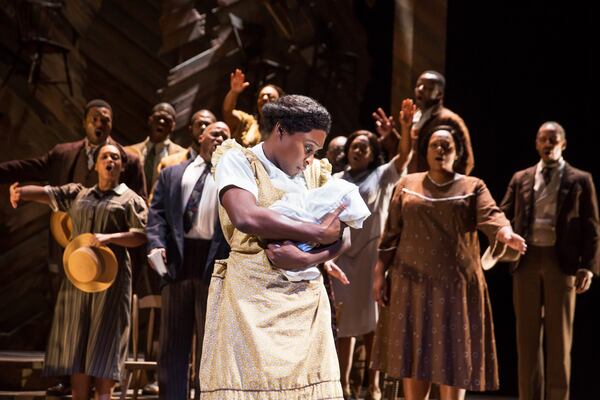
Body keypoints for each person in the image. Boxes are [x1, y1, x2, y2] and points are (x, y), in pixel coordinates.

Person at [199, 95, 349, 399]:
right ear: (279, 131)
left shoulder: (316, 173)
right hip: (250, 300)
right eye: (307, 147)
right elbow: (246, 216)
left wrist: (312, 256)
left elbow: (343, 235)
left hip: (305, 303)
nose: (309, 158)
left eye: (315, 151)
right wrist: (317, 230)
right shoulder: (239, 160)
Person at [0, 99, 146, 396]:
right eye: (105, 157)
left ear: (121, 165)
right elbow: (48, 194)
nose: (110, 161)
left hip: (112, 280)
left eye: (115, 158)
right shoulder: (80, 193)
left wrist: (109, 238)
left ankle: (104, 394)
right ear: (96, 164)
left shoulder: (130, 198)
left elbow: (141, 235)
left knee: (105, 338)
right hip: (79, 276)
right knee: (77, 338)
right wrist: (21, 192)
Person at [371, 125, 526, 400]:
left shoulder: (472, 186)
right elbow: (391, 234)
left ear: (458, 152)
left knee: (453, 355)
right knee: (414, 352)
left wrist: (504, 232)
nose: (440, 150)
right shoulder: (407, 184)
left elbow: (491, 215)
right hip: (411, 283)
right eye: (434, 145)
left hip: (456, 287)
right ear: (426, 151)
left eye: (447, 146)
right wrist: (380, 271)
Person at [499, 121, 600, 400]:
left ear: (563, 144)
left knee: (559, 340)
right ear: (535, 143)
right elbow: (502, 212)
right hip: (527, 259)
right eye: (543, 139)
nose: (547, 145)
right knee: (527, 339)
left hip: (562, 261)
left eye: (553, 140)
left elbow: (592, 226)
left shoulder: (580, 179)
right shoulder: (521, 177)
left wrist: (587, 266)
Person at [147, 121, 231, 399]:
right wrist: (156, 245)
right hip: (177, 263)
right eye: (215, 132)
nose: (219, 136)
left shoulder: (235, 179)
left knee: (210, 346)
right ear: (201, 136)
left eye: (226, 135)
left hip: (215, 263)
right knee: (172, 344)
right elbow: (156, 214)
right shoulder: (172, 174)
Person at [329, 123, 408, 399]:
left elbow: (404, 156)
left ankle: (372, 384)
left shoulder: (381, 175)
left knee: (372, 323)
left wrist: (402, 131)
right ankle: (343, 383)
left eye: (364, 146)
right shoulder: (336, 178)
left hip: (371, 256)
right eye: (353, 146)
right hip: (341, 255)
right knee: (344, 323)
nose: (357, 150)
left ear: (373, 152)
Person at [386, 70, 474, 175]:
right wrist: (390, 134)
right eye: (419, 85)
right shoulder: (414, 116)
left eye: (428, 88)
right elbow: (408, 152)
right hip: (411, 184)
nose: (420, 89)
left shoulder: (449, 120)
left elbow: (466, 160)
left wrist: (448, 187)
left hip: (435, 187)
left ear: (439, 94)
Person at [126, 102, 185, 195]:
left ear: (173, 126)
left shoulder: (182, 156)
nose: (162, 122)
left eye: (167, 119)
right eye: (158, 118)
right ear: (150, 120)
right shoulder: (129, 152)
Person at [222, 68, 284, 147]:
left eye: (271, 97)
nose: (264, 99)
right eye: (261, 97)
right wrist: (234, 92)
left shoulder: (286, 129)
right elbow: (227, 112)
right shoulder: (249, 122)